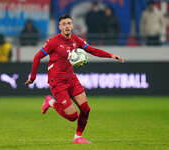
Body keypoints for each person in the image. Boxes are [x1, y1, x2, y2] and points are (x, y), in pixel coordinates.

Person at [25, 14, 124, 144]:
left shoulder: (76, 40)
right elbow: (37, 57)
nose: (67, 26)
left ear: (72, 25)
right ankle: (50, 102)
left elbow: (92, 50)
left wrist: (111, 55)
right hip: (57, 82)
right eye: (64, 24)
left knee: (86, 109)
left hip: (71, 79)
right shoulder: (53, 42)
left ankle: (78, 137)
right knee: (72, 117)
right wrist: (32, 77)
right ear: (60, 27)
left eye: (69, 23)